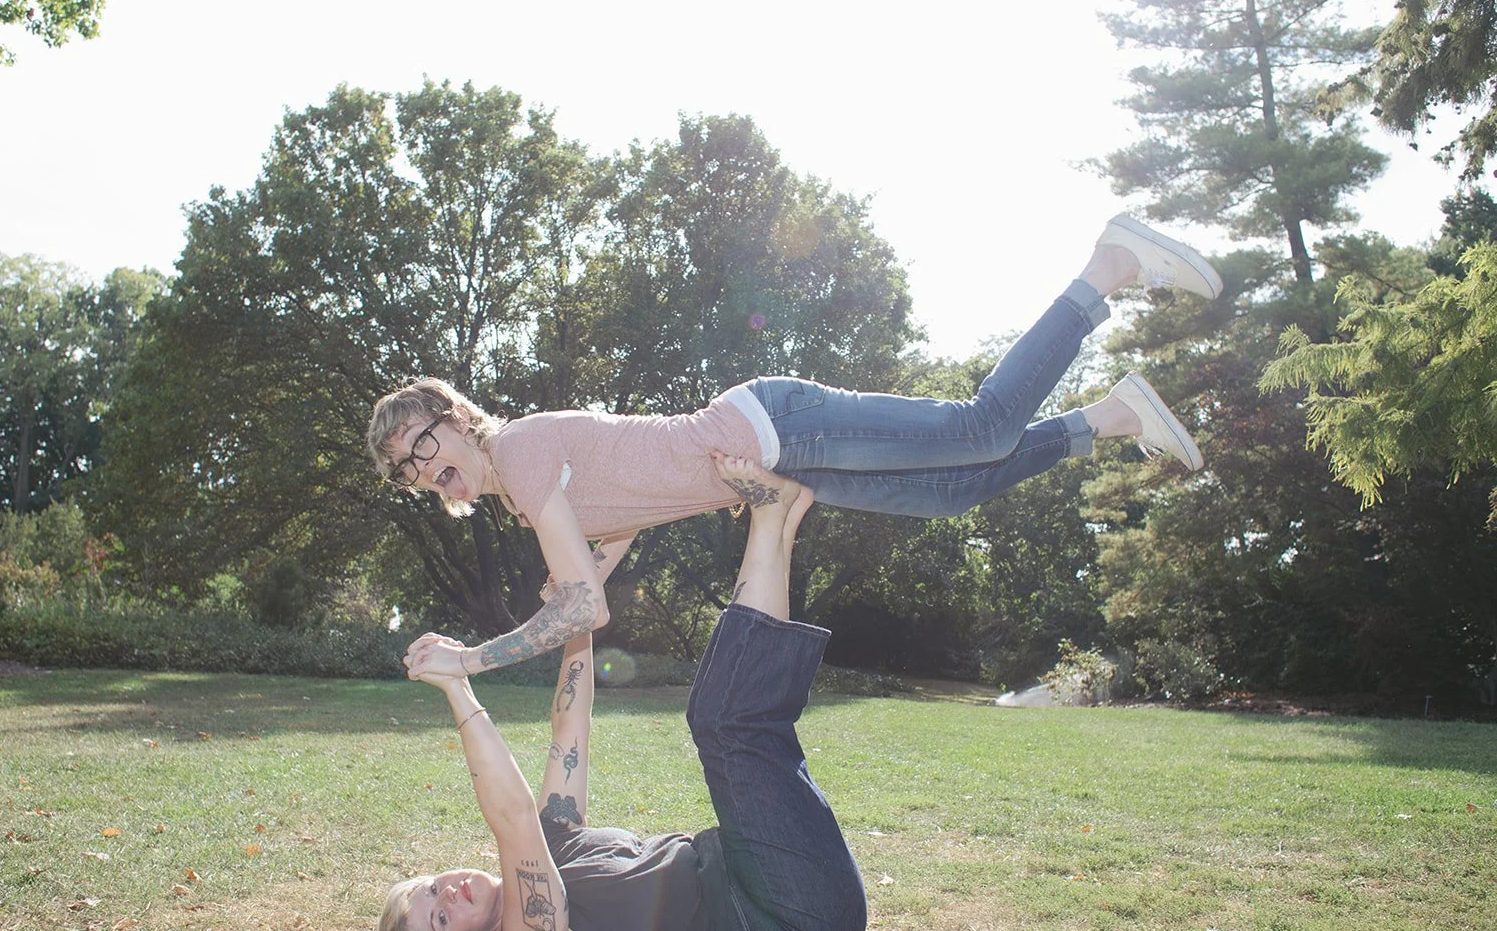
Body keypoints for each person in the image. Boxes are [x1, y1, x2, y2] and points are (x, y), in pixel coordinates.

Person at [367, 214, 1222, 679]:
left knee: (979, 428)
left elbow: (586, 609)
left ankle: (1106, 266)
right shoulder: (525, 487)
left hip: (772, 427)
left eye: (423, 439)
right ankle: (1106, 418)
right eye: (409, 466)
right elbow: (621, 512)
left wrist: (473, 657)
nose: (423, 463)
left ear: (452, 412)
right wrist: (594, 559)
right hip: (777, 462)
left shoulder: (513, 455)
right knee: (950, 490)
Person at [380, 458, 864, 931]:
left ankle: (781, 518)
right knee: (724, 723)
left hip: (759, 867)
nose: (447, 892)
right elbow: (511, 818)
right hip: (787, 925)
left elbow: (570, 725)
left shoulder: (555, 837)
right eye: (443, 916)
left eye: (432, 888)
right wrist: (458, 686)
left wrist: (579, 607)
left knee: (733, 722)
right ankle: (771, 517)